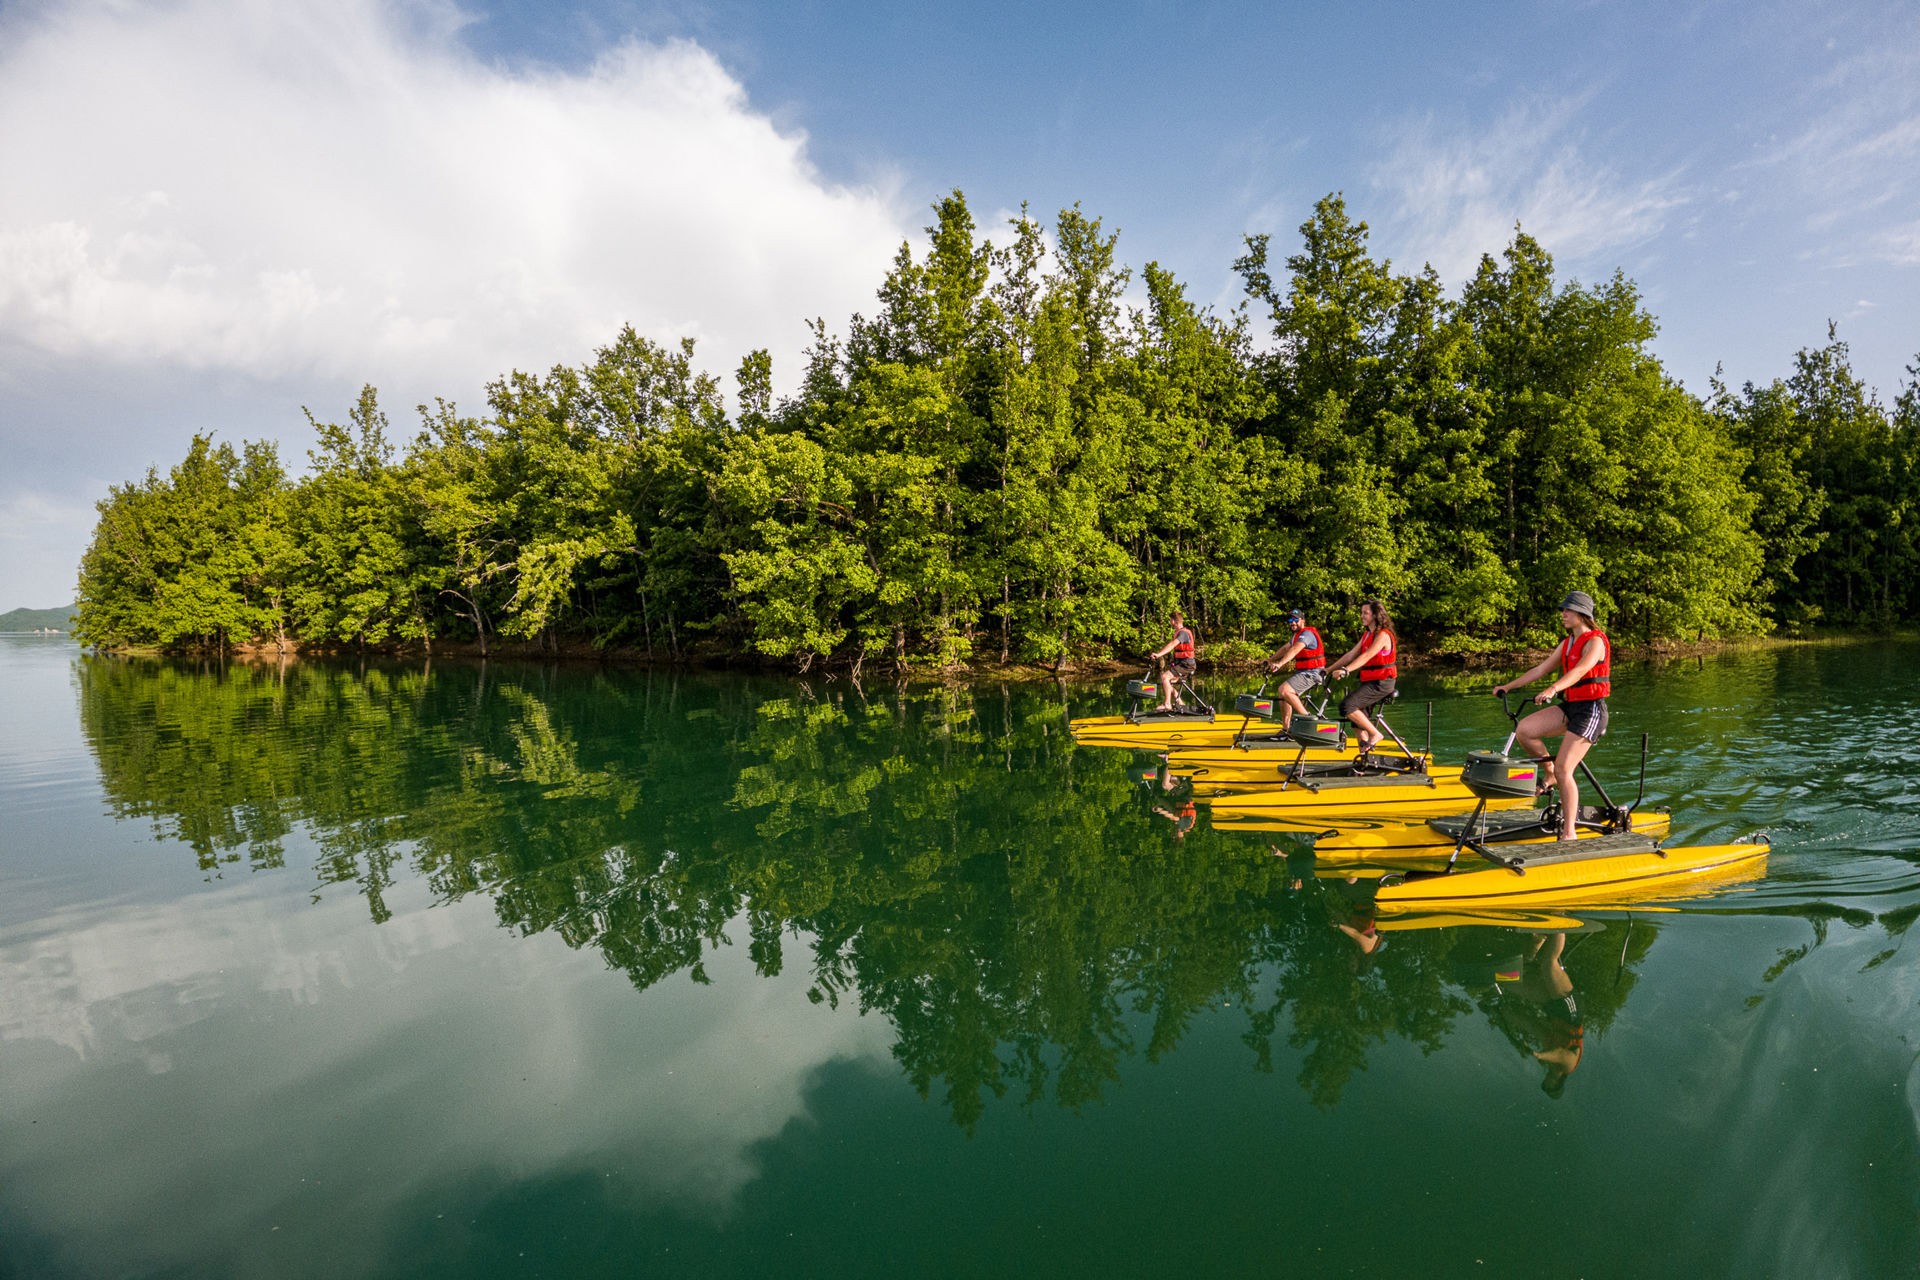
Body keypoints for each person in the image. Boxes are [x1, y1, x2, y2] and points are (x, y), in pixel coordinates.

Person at [1492, 590, 1611, 841]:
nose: (1563, 614)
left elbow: (1580, 671)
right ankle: (1548, 775)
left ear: (1582, 614)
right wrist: (1508, 686)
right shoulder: (1567, 643)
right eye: (1563, 610)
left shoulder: (1596, 641)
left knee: (1564, 768)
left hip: (1591, 711)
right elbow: (1541, 668)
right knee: (1525, 730)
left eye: (1568, 610)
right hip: (1571, 707)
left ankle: (1569, 833)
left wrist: (1553, 688)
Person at [1325, 600, 1398, 753]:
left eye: (1365, 613)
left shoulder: (1383, 635)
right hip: (1370, 681)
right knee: (1357, 723)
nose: (1362, 616)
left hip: (1382, 682)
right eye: (1361, 612)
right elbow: (1351, 654)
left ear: (1375, 615)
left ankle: (1375, 734)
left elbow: (1367, 655)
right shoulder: (1367, 634)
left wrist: (1346, 671)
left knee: (1347, 706)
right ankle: (1364, 760)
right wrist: (1328, 669)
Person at [1263, 609, 1327, 730]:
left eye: (1295, 620)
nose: (1292, 623)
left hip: (1314, 672)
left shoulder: (1306, 634)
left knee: (1285, 690)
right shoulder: (1295, 636)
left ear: (1303, 621)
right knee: (1283, 694)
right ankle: (1286, 729)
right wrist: (1270, 659)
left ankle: (1309, 722)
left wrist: (1280, 663)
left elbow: (1295, 649)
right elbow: (1285, 648)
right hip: (1304, 672)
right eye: (1290, 620)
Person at [1146, 609, 1198, 713]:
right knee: (1168, 681)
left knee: (1165, 676)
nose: (1170, 622)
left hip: (1186, 664)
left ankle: (1167, 704)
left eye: (1170, 620)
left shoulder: (1183, 633)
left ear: (1174, 621)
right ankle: (1180, 703)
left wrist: (1159, 654)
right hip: (1183, 663)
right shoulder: (1180, 632)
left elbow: (1172, 645)